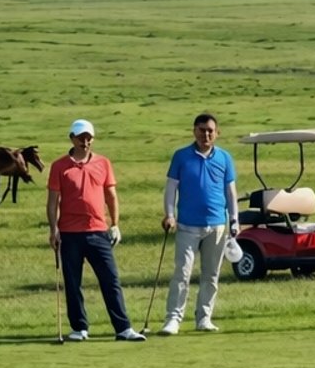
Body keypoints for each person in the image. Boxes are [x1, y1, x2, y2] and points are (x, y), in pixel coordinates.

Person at [46, 119, 142, 342]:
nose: (85, 142)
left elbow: (111, 196)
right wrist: (54, 230)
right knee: (73, 283)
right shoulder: (59, 166)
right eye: (81, 138)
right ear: (72, 138)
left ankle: (123, 328)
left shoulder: (103, 163)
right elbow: (53, 201)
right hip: (69, 233)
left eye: (89, 138)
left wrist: (115, 224)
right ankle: (79, 328)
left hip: (98, 231)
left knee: (111, 280)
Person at [160, 113, 240, 335]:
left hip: (217, 226)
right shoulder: (181, 156)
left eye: (210, 130)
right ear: (194, 131)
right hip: (187, 225)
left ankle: (204, 317)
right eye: (202, 129)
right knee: (182, 274)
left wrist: (235, 220)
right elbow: (171, 188)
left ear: (217, 133)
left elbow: (230, 192)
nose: (206, 134)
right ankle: (173, 319)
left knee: (211, 275)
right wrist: (169, 214)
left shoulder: (224, 158)